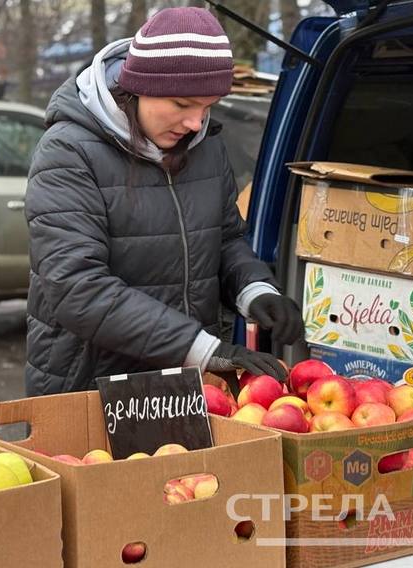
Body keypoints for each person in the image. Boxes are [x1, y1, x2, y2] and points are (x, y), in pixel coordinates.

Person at [25, 7, 304, 396]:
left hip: (187, 386)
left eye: (207, 106)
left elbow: (223, 238)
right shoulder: (68, 151)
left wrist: (256, 290)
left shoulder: (206, 146)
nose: (195, 123)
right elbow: (77, 287)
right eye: (182, 104)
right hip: (91, 387)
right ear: (138, 87)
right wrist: (204, 350)